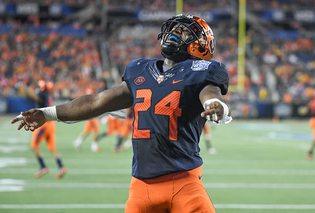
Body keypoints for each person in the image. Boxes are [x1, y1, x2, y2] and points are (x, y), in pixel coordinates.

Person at [12, 14, 232, 212]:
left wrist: (216, 105)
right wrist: (47, 113)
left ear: (201, 46)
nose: (174, 33)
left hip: (185, 183)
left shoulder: (203, 70)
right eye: (173, 29)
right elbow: (97, 101)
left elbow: (211, 94)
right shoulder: (140, 70)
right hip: (141, 187)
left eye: (184, 31)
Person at [24, 80, 66, 179]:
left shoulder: (42, 95)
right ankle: (61, 167)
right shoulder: (47, 95)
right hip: (50, 124)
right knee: (52, 148)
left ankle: (43, 167)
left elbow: (35, 96)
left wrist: (26, 88)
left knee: (34, 146)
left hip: (43, 125)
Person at [73, 88, 101, 152]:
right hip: (92, 117)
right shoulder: (90, 101)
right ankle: (94, 145)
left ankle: (78, 142)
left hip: (90, 117)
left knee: (87, 131)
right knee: (96, 131)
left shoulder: (85, 100)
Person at [306, 90, 315, 160]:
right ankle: (310, 153)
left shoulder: (311, 102)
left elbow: (307, 111)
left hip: (313, 120)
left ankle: (311, 153)